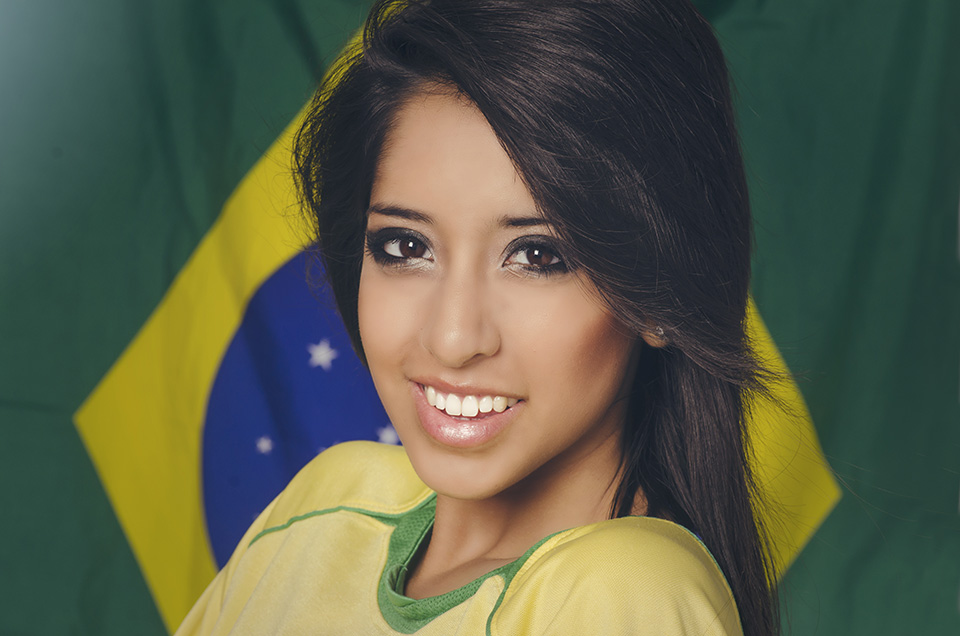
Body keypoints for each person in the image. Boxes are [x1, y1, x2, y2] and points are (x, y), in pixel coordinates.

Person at [176, 0, 779, 634]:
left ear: (662, 295)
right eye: (406, 247)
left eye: (538, 256)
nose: (454, 338)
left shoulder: (624, 591)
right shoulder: (325, 506)